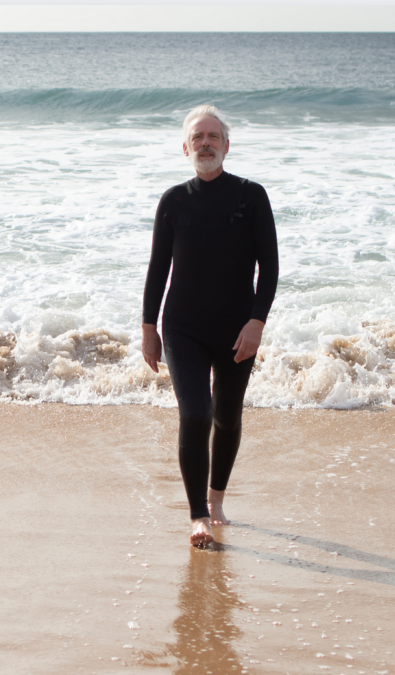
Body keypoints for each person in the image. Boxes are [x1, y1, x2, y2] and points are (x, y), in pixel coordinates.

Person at [141, 105, 279, 547]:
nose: (205, 144)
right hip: (183, 327)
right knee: (196, 412)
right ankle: (198, 515)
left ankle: (217, 500)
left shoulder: (250, 196)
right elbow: (157, 269)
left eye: (213, 136)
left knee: (227, 415)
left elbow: (270, 267)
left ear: (226, 145)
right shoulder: (174, 201)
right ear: (185, 148)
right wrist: (149, 327)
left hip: (238, 328)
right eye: (197, 137)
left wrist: (257, 321)